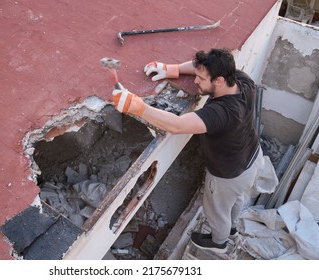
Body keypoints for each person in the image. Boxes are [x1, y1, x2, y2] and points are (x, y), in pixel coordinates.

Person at [111, 48, 264, 254]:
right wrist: (171, 69)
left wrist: (137, 106)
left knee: (217, 209)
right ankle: (233, 227)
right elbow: (202, 67)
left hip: (227, 176)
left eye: (201, 78)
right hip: (252, 159)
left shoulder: (222, 113)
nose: (195, 81)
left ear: (218, 81)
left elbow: (176, 125)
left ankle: (219, 242)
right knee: (235, 199)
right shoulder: (241, 81)